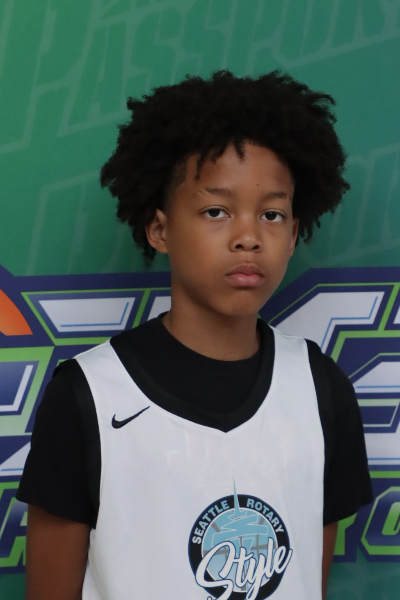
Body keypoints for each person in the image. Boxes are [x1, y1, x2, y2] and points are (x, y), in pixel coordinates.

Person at [18, 71, 372, 600]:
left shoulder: (321, 389)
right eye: (216, 211)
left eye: (272, 214)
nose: (248, 237)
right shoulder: (87, 395)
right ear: (159, 229)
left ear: (294, 233)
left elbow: (305, 581)